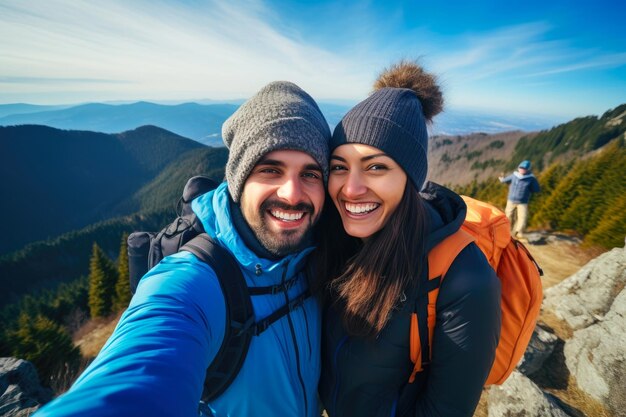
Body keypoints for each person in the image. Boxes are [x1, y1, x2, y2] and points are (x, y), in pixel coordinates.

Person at [34, 81, 331, 417]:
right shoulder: (194, 283)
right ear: (238, 181)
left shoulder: (319, 255)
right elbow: (136, 377)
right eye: (270, 170)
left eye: (310, 173)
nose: (292, 194)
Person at [316, 61, 502, 417]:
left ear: (410, 179)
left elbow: (445, 410)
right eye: (340, 166)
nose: (351, 189)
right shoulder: (338, 234)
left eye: (376, 167)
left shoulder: (466, 281)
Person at [499, 160, 540, 238]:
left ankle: (518, 232)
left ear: (528, 169)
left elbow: (536, 189)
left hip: (523, 202)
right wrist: (502, 179)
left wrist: (529, 190)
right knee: (508, 215)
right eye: (521, 168)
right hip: (511, 200)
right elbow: (505, 180)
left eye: (524, 168)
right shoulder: (514, 175)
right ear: (518, 168)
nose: (522, 169)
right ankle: (507, 230)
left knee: (522, 217)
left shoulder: (531, 178)